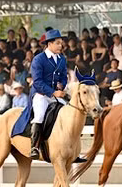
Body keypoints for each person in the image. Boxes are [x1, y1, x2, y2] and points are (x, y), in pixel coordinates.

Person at [27, 29, 85, 162]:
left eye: (61, 43)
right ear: (49, 44)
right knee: (40, 115)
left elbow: (64, 76)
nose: (61, 46)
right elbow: (37, 82)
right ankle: (34, 147)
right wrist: (53, 92)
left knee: (70, 113)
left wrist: (62, 85)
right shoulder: (39, 59)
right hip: (41, 94)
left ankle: (73, 149)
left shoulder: (61, 59)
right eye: (58, 43)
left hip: (56, 94)